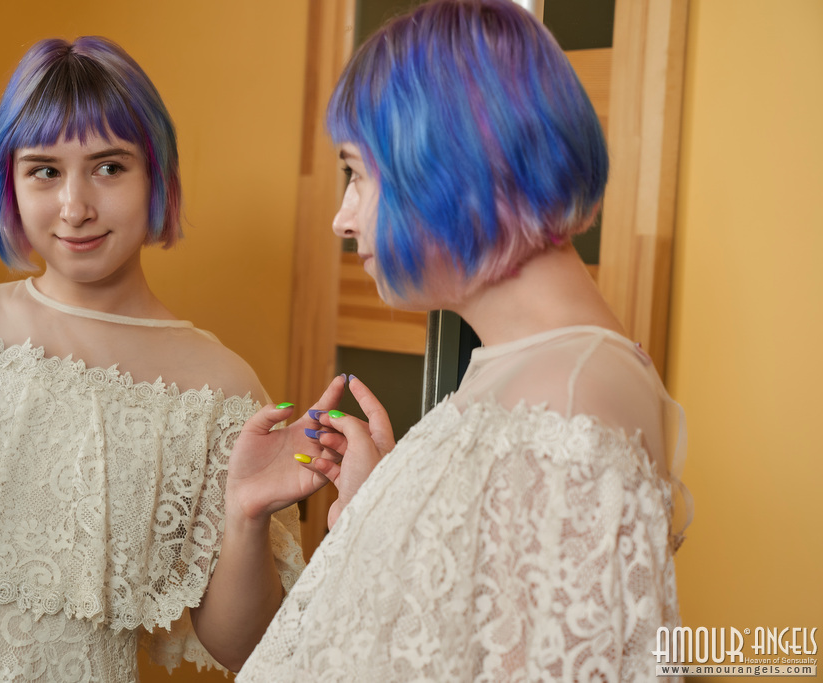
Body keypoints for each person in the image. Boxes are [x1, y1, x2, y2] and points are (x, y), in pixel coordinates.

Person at [0, 36, 342, 681]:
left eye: (108, 167)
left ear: (156, 176)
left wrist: (245, 518)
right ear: (9, 182)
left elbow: (240, 649)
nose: (75, 208)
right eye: (45, 170)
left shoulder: (218, 387)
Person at [231, 1, 691, 680]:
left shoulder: (567, 400)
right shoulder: (532, 371)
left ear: (447, 162)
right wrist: (380, 521)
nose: (341, 219)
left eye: (356, 173)